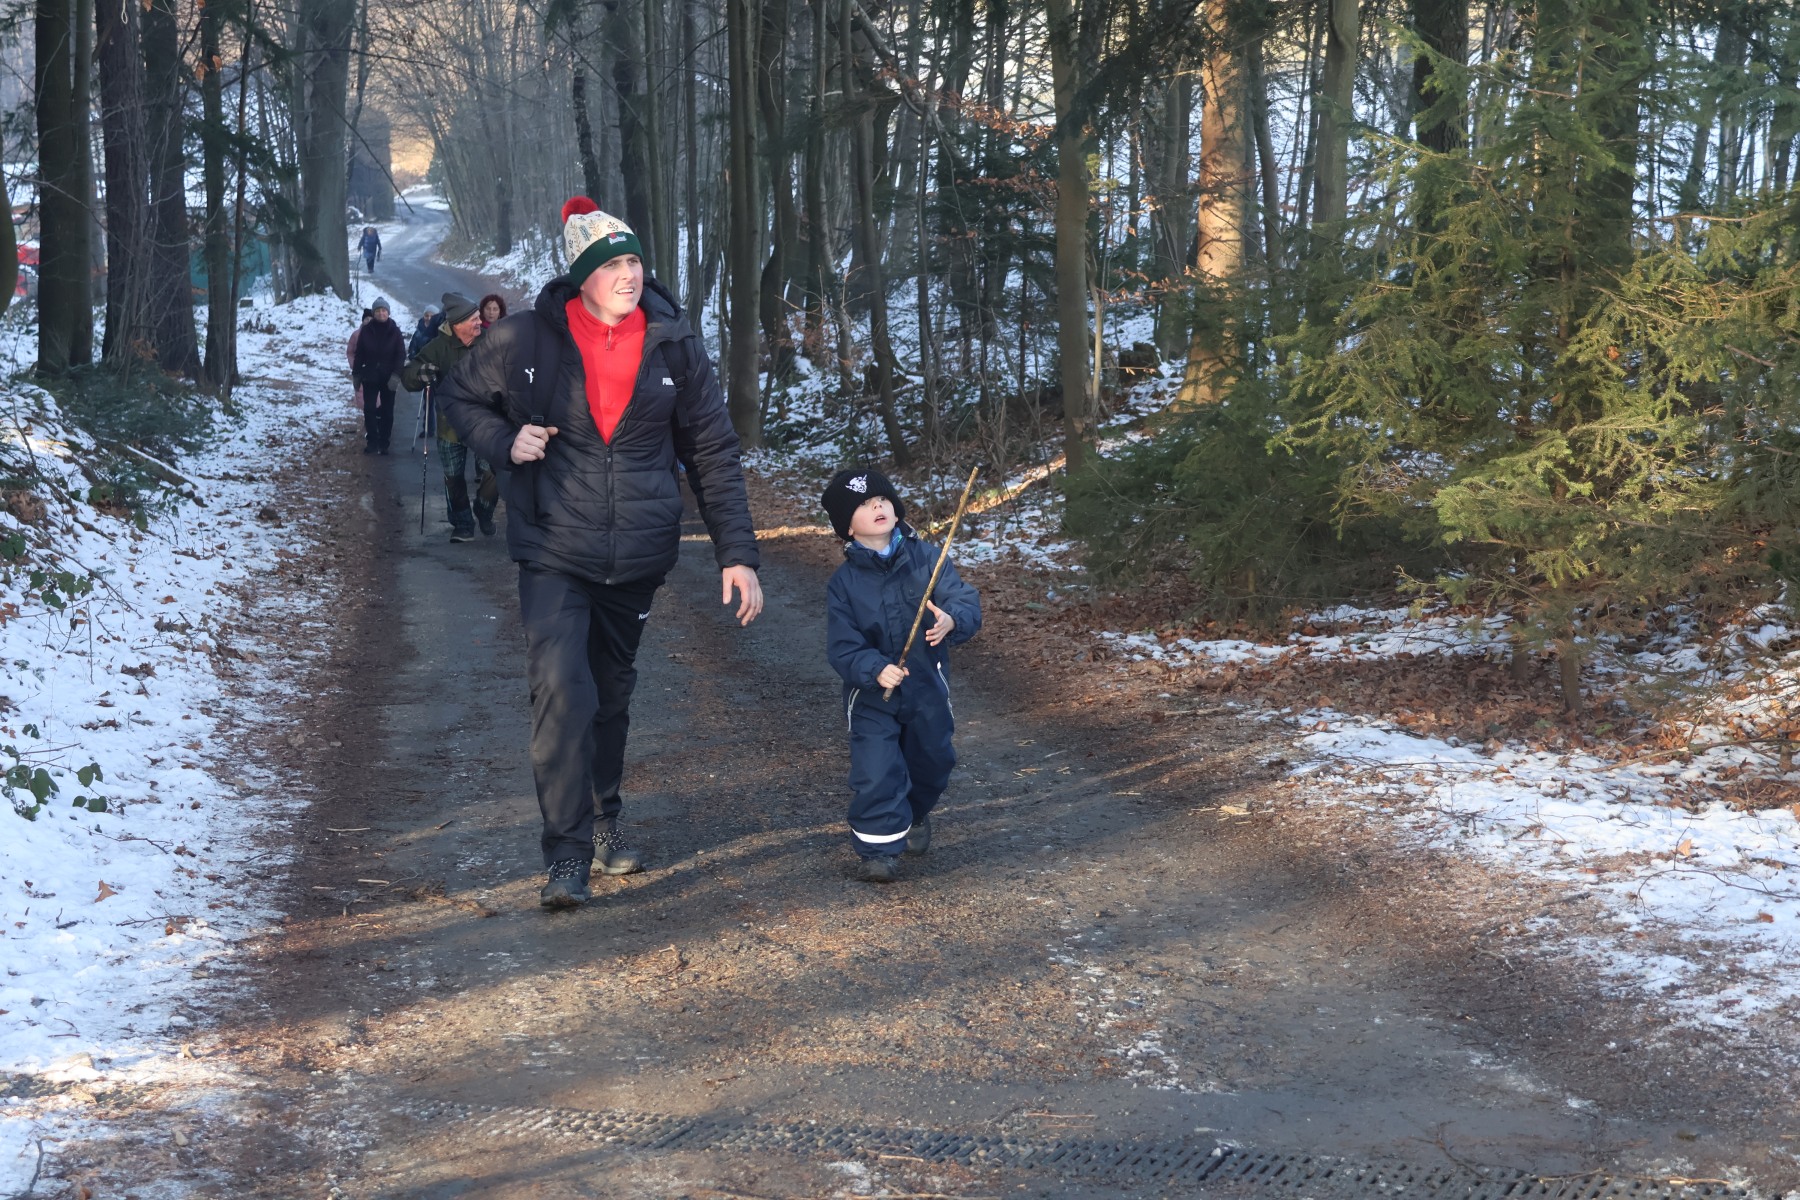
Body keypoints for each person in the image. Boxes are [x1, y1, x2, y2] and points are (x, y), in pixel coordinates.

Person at [440, 197, 762, 910]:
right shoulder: (527, 338)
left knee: (609, 696)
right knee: (562, 690)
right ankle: (567, 856)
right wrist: (505, 442)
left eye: (635, 261)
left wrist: (737, 554)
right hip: (554, 545)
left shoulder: (674, 343)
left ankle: (606, 817)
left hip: (640, 553)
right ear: (581, 275)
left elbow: (713, 450)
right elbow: (458, 396)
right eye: (613, 264)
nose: (629, 275)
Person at [821, 469, 982, 883]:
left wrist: (952, 619)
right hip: (872, 694)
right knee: (877, 769)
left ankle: (914, 812)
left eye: (881, 499)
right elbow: (843, 645)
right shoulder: (844, 584)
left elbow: (962, 598)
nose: (877, 506)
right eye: (863, 504)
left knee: (933, 759)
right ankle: (878, 850)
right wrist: (875, 668)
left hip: (926, 684)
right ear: (847, 526)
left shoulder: (927, 559)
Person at [402, 292, 497, 542]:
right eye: (474, 319)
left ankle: (484, 509)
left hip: (485, 422)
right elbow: (409, 374)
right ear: (457, 324)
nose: (480, 322)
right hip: (450, 424)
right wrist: (421, 373)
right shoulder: (438, 347)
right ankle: (462, 524)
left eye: (479, 317)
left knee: (493, 472)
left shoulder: (490, 342)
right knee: (453, 477)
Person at [353, 298, 406, 454]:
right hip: (370, 376)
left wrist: (396, 375)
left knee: (387, 411)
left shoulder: (395, 331)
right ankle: (372, 441)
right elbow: (359, 353)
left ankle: (384, 442)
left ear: (388, 312)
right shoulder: (366, 330)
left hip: (389, 377)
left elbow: (400, 355)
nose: (381, 313)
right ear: (374, 313)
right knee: (369, 409)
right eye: (377, 311)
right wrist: (356, 374)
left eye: (383, 310)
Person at [347, 307, 374, 410]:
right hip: (360, 369)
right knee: (361, 393)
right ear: (363, 320)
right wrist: (354, 364)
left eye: (371, 319)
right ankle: (366, 412)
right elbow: (350, 352)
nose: (368, 321)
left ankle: (375, 414)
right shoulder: (356, 335)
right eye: (366, 319)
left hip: (374, 370)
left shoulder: (379, 334)